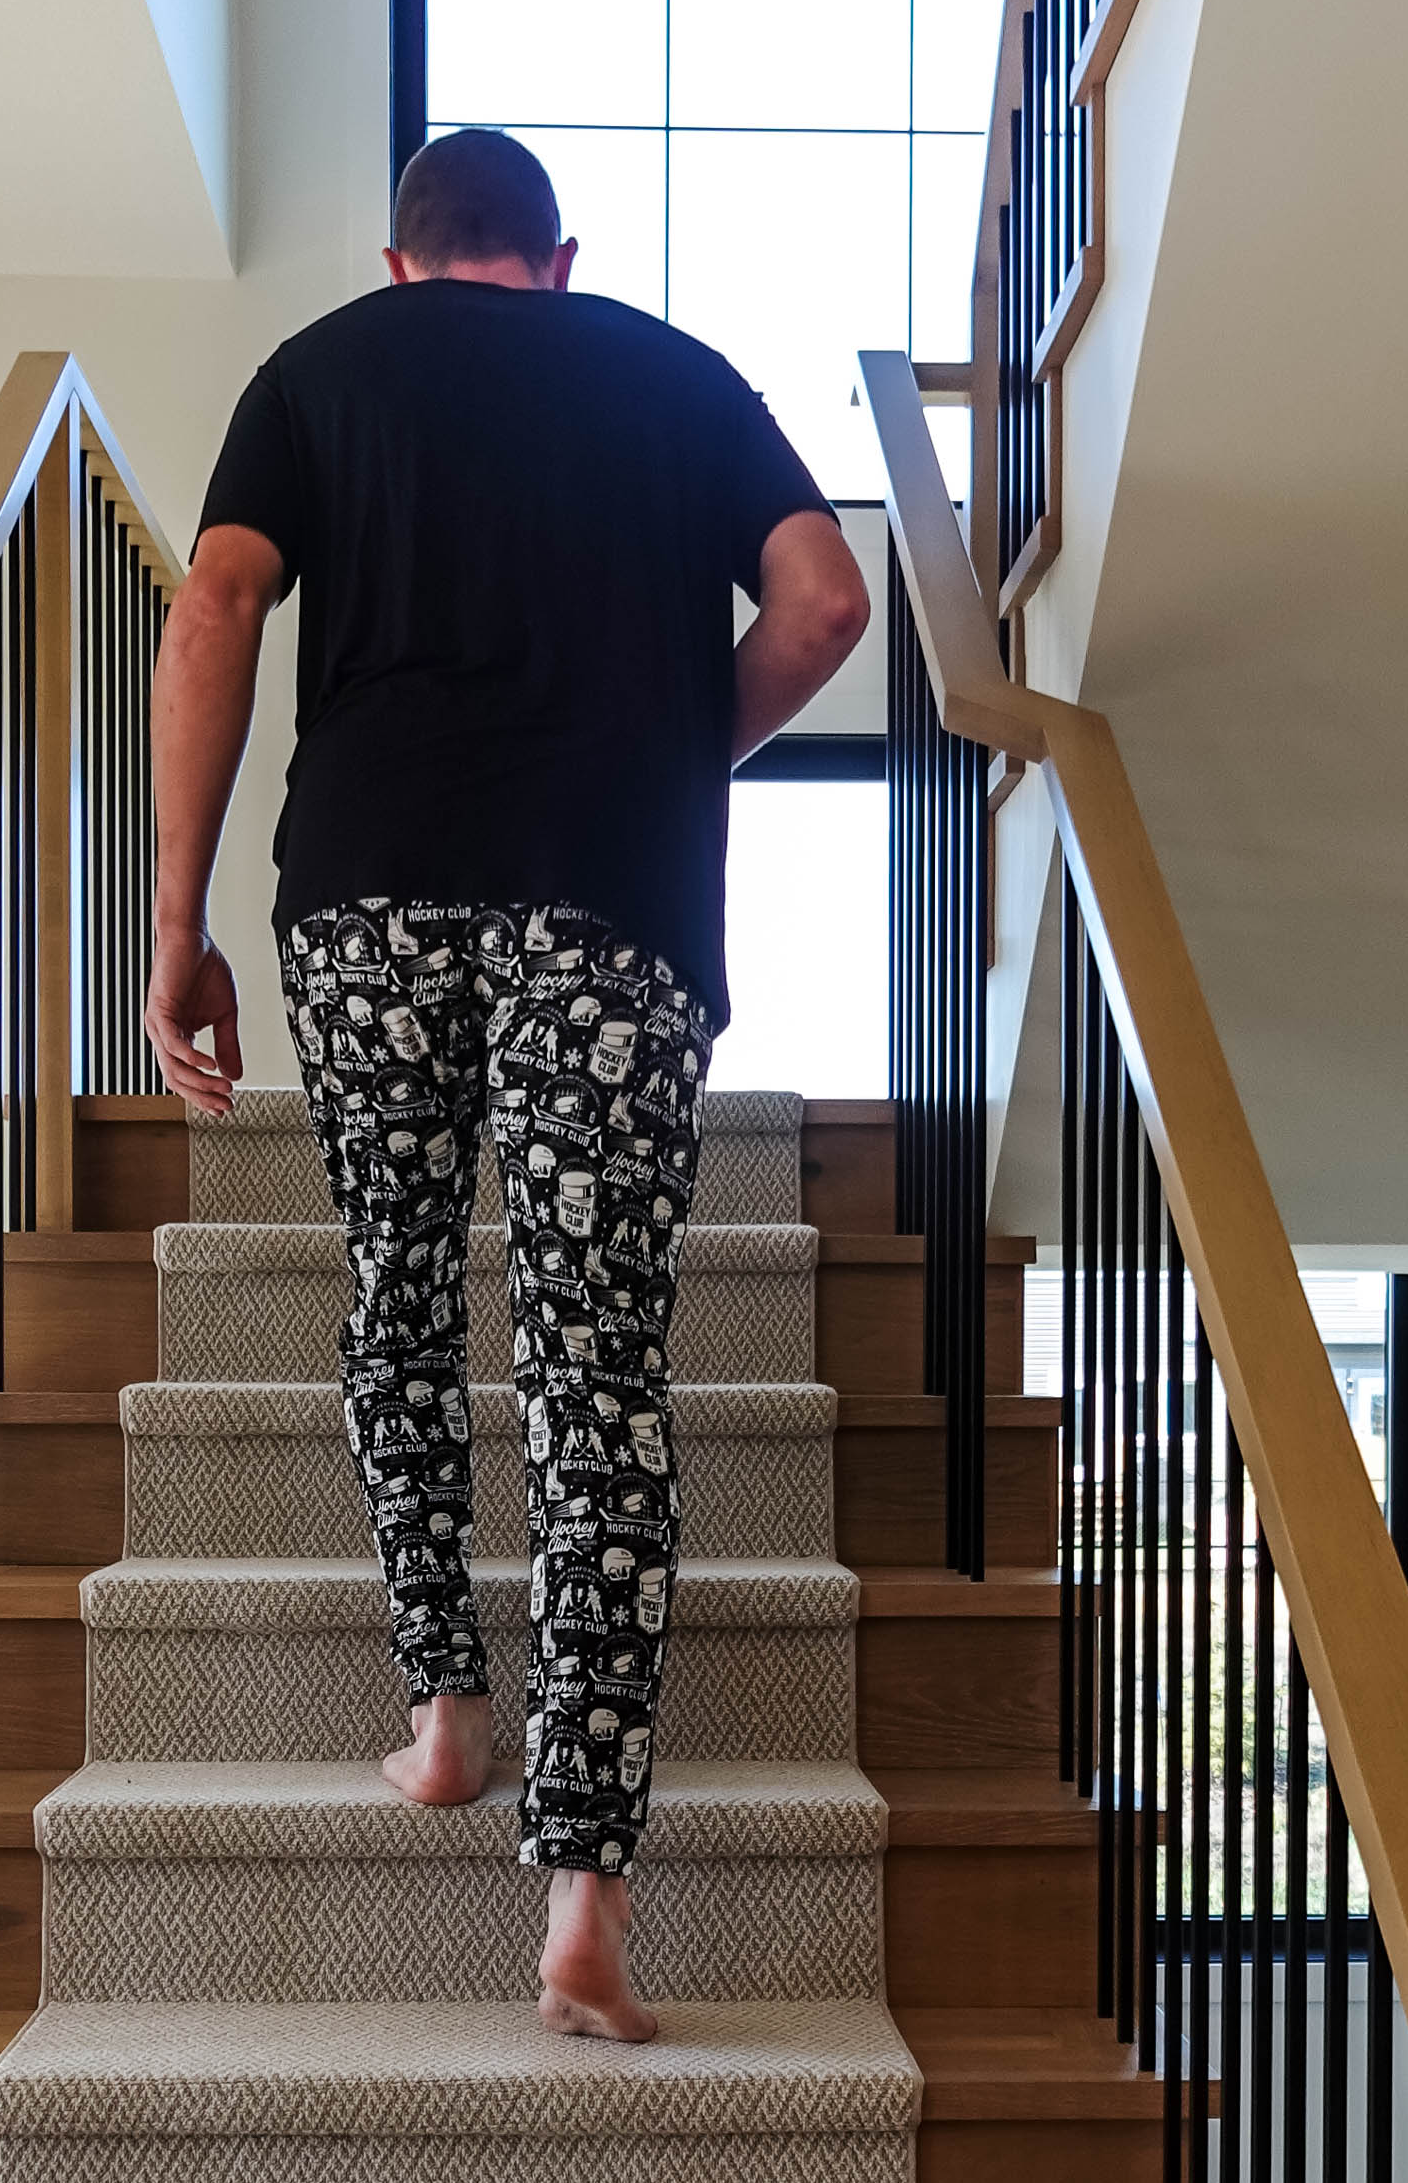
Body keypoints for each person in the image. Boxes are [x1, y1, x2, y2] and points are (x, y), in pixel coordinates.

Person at [144, 128, 870, 2042]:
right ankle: (584, 1907)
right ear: (556, 260)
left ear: (403, 265)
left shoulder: (316, 372)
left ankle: (443, 1714)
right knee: (595, 1365)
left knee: (397, 1289)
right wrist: (665, 759)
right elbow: (824, 609)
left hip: (371, 900)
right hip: (610, 915)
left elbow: (214, 606)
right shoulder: (676, 372)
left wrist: (175, 920)